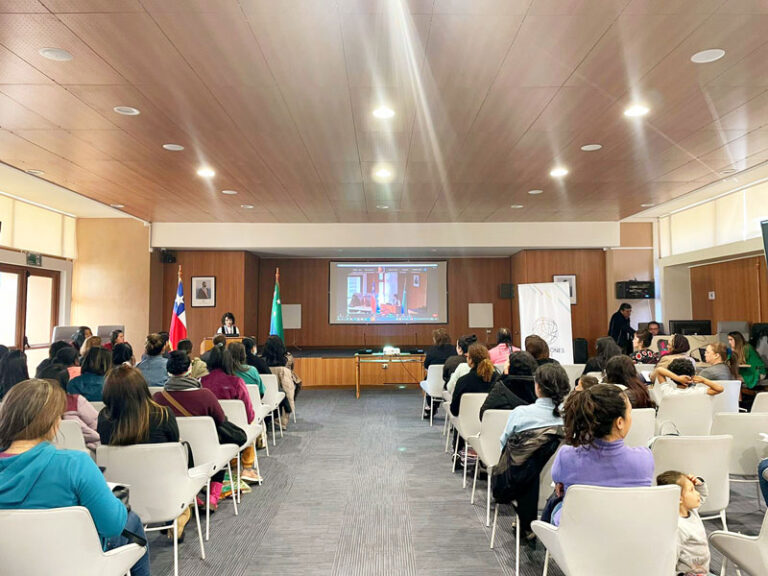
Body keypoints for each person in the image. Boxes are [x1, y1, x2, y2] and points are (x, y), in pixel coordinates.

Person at [0, 379, 150, 576]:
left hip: (10, 566)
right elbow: (113, 526)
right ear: (53, 422)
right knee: (130, 520)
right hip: (76, 566)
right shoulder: (75, 464)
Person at [550, 384, 654, 526]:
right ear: (619, 422)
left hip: (577, 539)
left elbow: (559, 486)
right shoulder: (644, 459)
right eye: (630, 413)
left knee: (556, 505)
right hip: (627, 534)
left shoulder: (566, 456)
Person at [493, 363, 569, 543]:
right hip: (560, 491)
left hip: (521, 484)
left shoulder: (521, 414)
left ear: (537, 387)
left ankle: (527, 523)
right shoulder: (572, 416)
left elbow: (504, 446)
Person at [153, 351, 240, 504]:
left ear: (168, 371)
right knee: (222, 440)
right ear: (190, 370)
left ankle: (192, 497)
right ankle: (213, 496)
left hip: (174, 458)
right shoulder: (205, 395)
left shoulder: (158, 398)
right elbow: (221, 420)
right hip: (208, 455)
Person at [656, 471, 711, 576]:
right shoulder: (678, 527)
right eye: (692, 490)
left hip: (702, 571)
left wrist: (699, 483)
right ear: (679, 498)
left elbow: (702, 496)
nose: (697, 493)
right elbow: (671, 559)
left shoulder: (692, 511)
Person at [39, 363, 100, 451]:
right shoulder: (76, 401)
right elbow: (98, 426)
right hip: (81, 453)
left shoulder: (34, 407)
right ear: (66, 383)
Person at [480, 351, 538, 417]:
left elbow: (483, 414)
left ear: (509, 367)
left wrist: (503, 376)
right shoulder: (539, 387)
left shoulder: (501, 388)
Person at [450, 344, 499, 418]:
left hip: (466, 425)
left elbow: (454, 410)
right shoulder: (498, 380)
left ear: (470, 360)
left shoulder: (463, 381)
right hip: (491, 423)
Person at [262, 335, 298, 427]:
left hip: (266, 391)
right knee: (296, 383)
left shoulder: (262, 360)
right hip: (283, 385)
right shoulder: (288, 358)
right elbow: (291, 369)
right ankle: (284, 416)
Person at [653, 358, 724, 400]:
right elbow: (720, 389)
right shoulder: (699, 392)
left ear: (671, 378)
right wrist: (703, 380)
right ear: (693, 375)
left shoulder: (668, 392)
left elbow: (659, 370)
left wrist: (677, 378)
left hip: (673, 424)